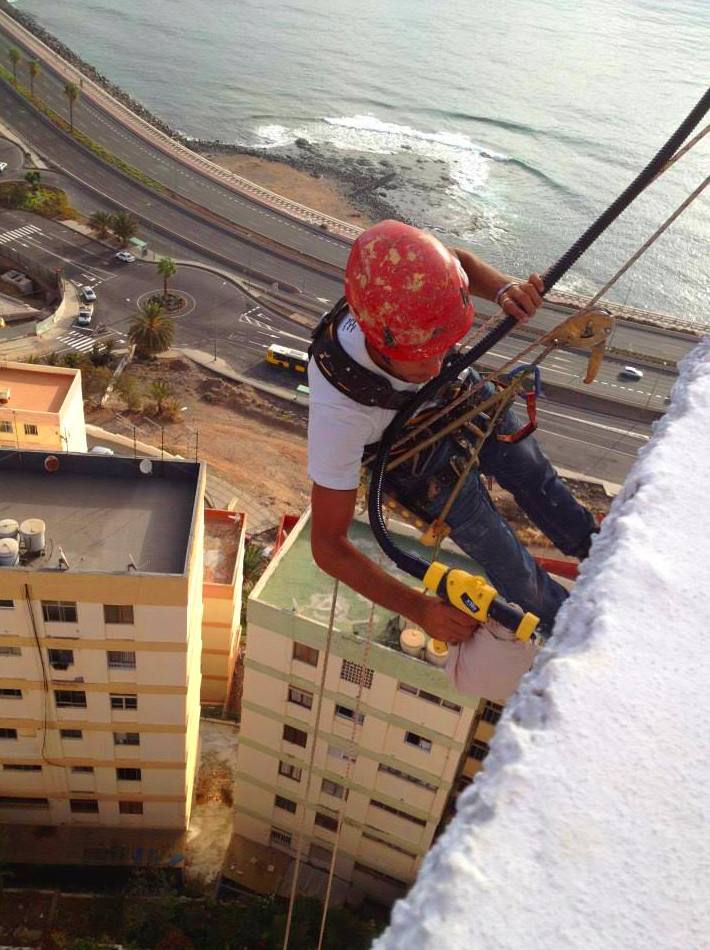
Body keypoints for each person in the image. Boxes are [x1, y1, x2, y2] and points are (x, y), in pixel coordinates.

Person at [307, 219, 597, 646]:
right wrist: (419, 608)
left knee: (534, 475)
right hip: (418, 463)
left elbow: (453, 262)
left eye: (446, 345)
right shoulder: (340, 414)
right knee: (508, 562)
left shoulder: (398, 290)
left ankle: (595, 549)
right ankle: (573, 631)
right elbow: (328, 545)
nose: (441, 360)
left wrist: (503, 289)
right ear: (381, 346)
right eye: (426, 355)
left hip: (461, 400)